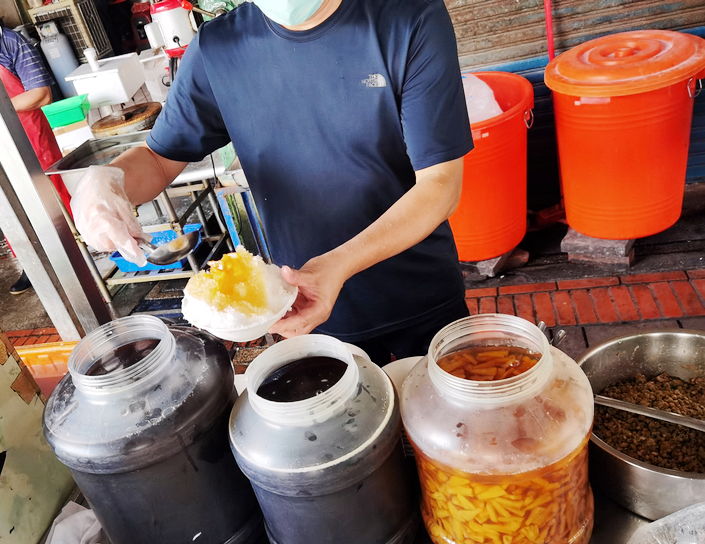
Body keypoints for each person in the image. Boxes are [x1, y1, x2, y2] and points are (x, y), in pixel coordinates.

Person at [73, 0, 474, 365]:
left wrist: (335, 267)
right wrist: (109, 182)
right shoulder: (218, 48)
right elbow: (159, 159)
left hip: (421, 298)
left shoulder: (409, 17)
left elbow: (440, 184)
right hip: (303, 308)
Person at [0, 3, 73, 295]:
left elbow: (41, 94)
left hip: (30, 135)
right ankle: (34, 265)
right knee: (10, 201)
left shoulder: (11, 42)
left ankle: (75, 253)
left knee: (50, 195)